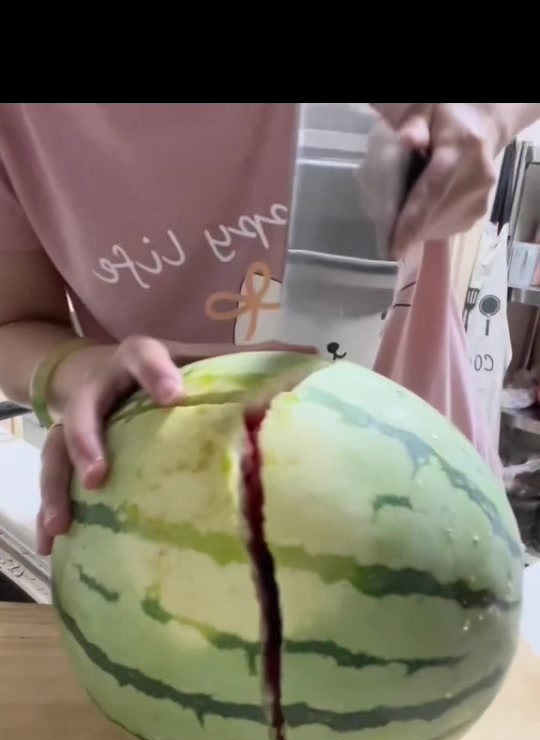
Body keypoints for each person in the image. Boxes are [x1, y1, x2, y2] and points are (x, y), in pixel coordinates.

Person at [0, 102, 538, 556]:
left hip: (435, 510)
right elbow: (16, 323)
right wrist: (84, 373)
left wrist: (487, 117)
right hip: (176, 530)